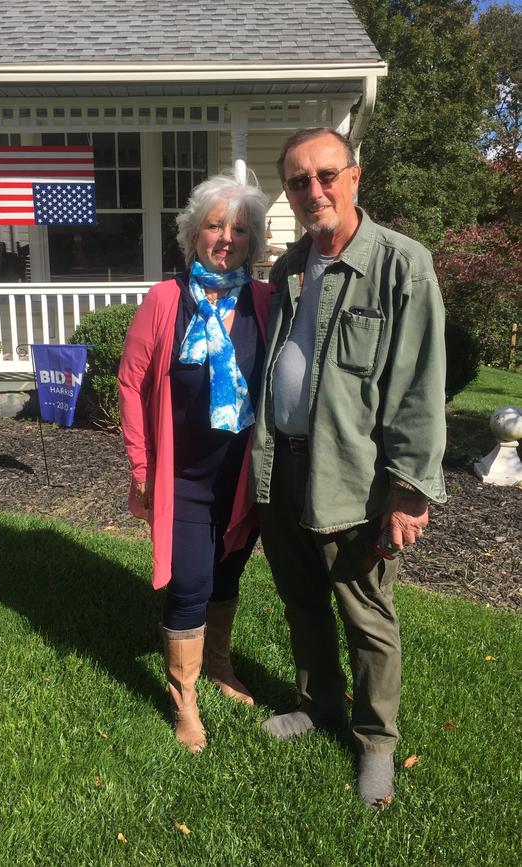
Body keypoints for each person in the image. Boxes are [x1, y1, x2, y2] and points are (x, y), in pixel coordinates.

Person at [250, 128, 447, 808]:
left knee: (365, 614)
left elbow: (420, 387)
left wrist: (410, 490)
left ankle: (376, 744)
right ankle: (319, 703)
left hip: (355, 478)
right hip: (285, 463)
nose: (314, 190)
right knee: (302, 600)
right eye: (299, 181)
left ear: (355, 177)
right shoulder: (291, 267)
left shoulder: (402, 265)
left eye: (326, 175)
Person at [118, 172, 271, 753]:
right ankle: (184, 702)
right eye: (215, 225)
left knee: (228, 574)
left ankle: (219, 664)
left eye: (239, 228)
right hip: (180, 478)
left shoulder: (264, 302)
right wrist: (141, 465)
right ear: (193, 234)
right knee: (191, 584)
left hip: (240, 478)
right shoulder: (164, 300)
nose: (226, 237)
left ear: (253, 241)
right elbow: (130, 384)